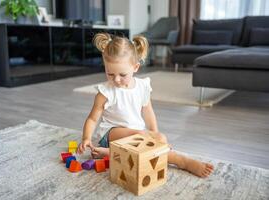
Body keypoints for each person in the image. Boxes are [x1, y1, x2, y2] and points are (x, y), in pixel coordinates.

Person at [77, 33, 214, 178]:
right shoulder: (105, 93)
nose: (116, 79)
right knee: (140, 135)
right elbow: (92, 119)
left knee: (160, 138)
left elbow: (148, 111)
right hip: (111, 134)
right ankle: (183, 162)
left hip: (136, 135)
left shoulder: (142, 86)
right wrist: (86, 138)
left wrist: (155, 134)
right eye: (110, 74)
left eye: (122, 74)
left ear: (135, 67)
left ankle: (111, 154)